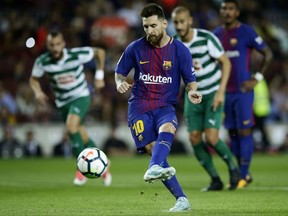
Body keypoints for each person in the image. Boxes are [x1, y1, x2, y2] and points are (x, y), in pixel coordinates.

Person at [115, 3, 202, 212]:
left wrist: (191, 92)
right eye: (145, 27)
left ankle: (153, 168)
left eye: (153, 26)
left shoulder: (180, 50)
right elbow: (119, 72)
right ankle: (182, 199)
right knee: (153, 150)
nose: (149, 31)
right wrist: (119, 82)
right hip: (139, 106)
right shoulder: (135, 47)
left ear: (164, 23)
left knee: (168, 128)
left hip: (165, 105)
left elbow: (191, 80)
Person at [171, 6, 242, 191]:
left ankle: (234, 169)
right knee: (194, 138)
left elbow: (226, 63)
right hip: (192, 96)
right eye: (175, 22)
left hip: (212, 93)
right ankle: (215, 180)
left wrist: (220, 92)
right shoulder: (175, 45)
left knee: (211, 138)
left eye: (182, 21)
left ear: (190, 21)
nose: (179, 26)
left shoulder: (206, 38)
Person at [29, 30, 112, 186]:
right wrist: (38, 92)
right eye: (51, 45)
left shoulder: (75, 55)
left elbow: (100, 52)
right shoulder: (43, 61)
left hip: (81, 96)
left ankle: (81, 169)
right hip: (63, 102)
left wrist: (99, 77)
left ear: (63, 44)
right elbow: (33, 79)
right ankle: (104, 165)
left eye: (58, 44)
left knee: (71, 127)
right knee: (80, 133)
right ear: (47, 45)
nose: (55, 47)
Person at [213, 0, 273, 186]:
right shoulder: (216, 35)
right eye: (224, 9)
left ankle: (243, 174)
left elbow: (267, 54)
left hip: (243, 90)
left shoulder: (246, 31)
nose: (227, 12)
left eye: (231, 9)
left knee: (244, 130)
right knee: (232, 132)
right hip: (224, 92)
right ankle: (240, 173)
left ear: (237, 12)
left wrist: (257, 78)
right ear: (221, 12)